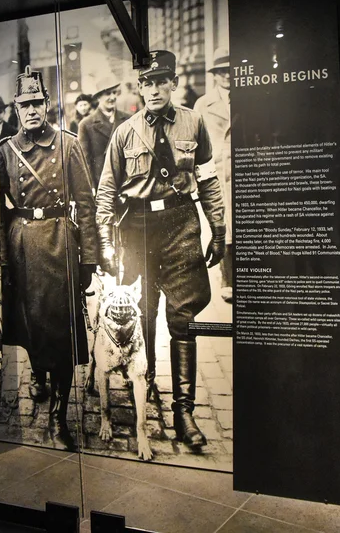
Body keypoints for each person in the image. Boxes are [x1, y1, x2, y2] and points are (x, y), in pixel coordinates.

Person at [96, 50, 226, 451]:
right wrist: (103, 239)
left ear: (173, 83)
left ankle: (183, 412)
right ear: (139, 88)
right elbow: (105, 190)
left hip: (180, 225)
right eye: (146, 83)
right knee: (143, 312)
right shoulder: (124, 132)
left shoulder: (195, 122)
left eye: (160, 81)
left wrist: (218, 227)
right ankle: (147, 384)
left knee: (182, 317)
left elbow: (207, 178)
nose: (154, 89)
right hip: (136, 230)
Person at [0, 65, 98, 451]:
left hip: (59, 242)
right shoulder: (5, 151)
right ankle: (37, 372)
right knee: (30, 324)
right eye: (25, 105)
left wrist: (89, 259)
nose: (32, 110)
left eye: (37, 102)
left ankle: (58, 415)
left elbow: (86, 203)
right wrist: (2, 258)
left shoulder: (68, 145)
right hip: (22, 246)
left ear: (47, 104)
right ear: (16, 110)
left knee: (63, 331)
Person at [194, 47, 232, 302]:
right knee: (223, 224)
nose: (227, 76)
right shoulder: (203, 104)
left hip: (247, 169)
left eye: (230, 70)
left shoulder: (253, 97)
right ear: (215, 75)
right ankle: (227, 280)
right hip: (218, 170)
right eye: (222, 72)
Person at [78, 76, 130, 191]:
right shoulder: (86, 124)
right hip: (102, 184)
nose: (112, 97)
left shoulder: (128, 119)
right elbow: (85, 162)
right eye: (107, 94)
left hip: (127, 182)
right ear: (98, 97)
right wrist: (91, 187)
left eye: (114, 93)